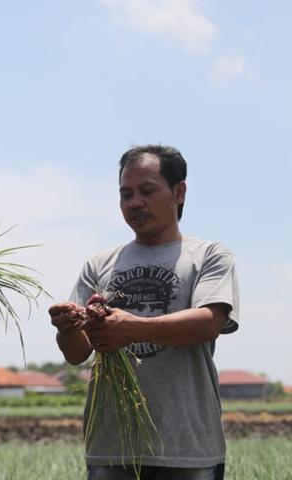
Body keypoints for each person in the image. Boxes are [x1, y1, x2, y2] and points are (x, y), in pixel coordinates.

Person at [49, 145, 239, 480]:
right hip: (112, 445)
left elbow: (209, 322)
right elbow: (77, 353)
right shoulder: (99, 265)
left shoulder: (208, 256)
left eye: (147, 191)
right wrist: (67, 327)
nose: (135, 202)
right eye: (126, 194)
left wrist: (133, 327)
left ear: (179, 192)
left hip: (186, 447)